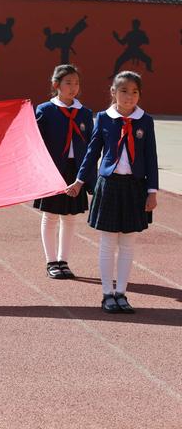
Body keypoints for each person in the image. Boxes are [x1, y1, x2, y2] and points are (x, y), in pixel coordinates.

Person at [66, 71, 158, 314]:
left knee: (128, 243)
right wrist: (79, 181)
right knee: (108, 242)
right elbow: (91, 153)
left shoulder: (145, 120)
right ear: (113, 93)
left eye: (135, 92)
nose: (129, 97)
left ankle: (122, 294)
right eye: (124, 91)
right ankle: (107, 293)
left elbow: (150, 157)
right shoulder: (104, 119)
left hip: (135, 187)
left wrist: (152, 191)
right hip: (108, 185)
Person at [34, 65, 95, 279]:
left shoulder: (85, 113)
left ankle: (63, 261)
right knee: (50, 216)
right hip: (52, 170)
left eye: (76, 83)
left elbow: (90, 146)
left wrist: (88, 177)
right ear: (56, 85)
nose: (73, 87)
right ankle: (51, 261)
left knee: (69, 218)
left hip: (75, 171)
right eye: (68, 83)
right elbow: (36, 142)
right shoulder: (45, 110)